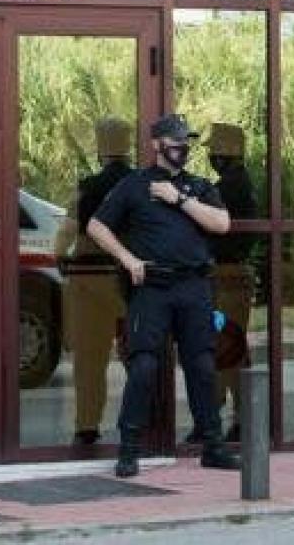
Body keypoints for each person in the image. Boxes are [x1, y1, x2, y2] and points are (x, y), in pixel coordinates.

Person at [87, 113, 240, 478]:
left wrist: (179, 199)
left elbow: (222, 224)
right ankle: (129, 449)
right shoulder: (134, 184)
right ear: (156, 145)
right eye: (174, 142)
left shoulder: (198, 186)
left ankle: (213, 446)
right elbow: (96, 226)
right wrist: (127, 259)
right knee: (143, 366)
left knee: (202, 366)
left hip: (194, 286)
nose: (181, 148)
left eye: (186, 142)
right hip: (153, 287)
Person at [54, 117, 133, 449]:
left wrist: (59, 256)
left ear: (101, 149)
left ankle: (87, 426)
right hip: (127, 279)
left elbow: (68, 230)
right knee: (137, 354)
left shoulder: (87, 186)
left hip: (87, 279)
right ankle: (141, 422)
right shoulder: (138, 184)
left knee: (90, 359)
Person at [189, 122, 257, 444]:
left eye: (215, 152)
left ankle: (221, 420)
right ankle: (234, 417)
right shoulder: (239, 184)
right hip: (230, 275)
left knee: (225, 348)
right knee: (229, 346)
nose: (212, 158)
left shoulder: (230, 188)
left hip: (226, 276)